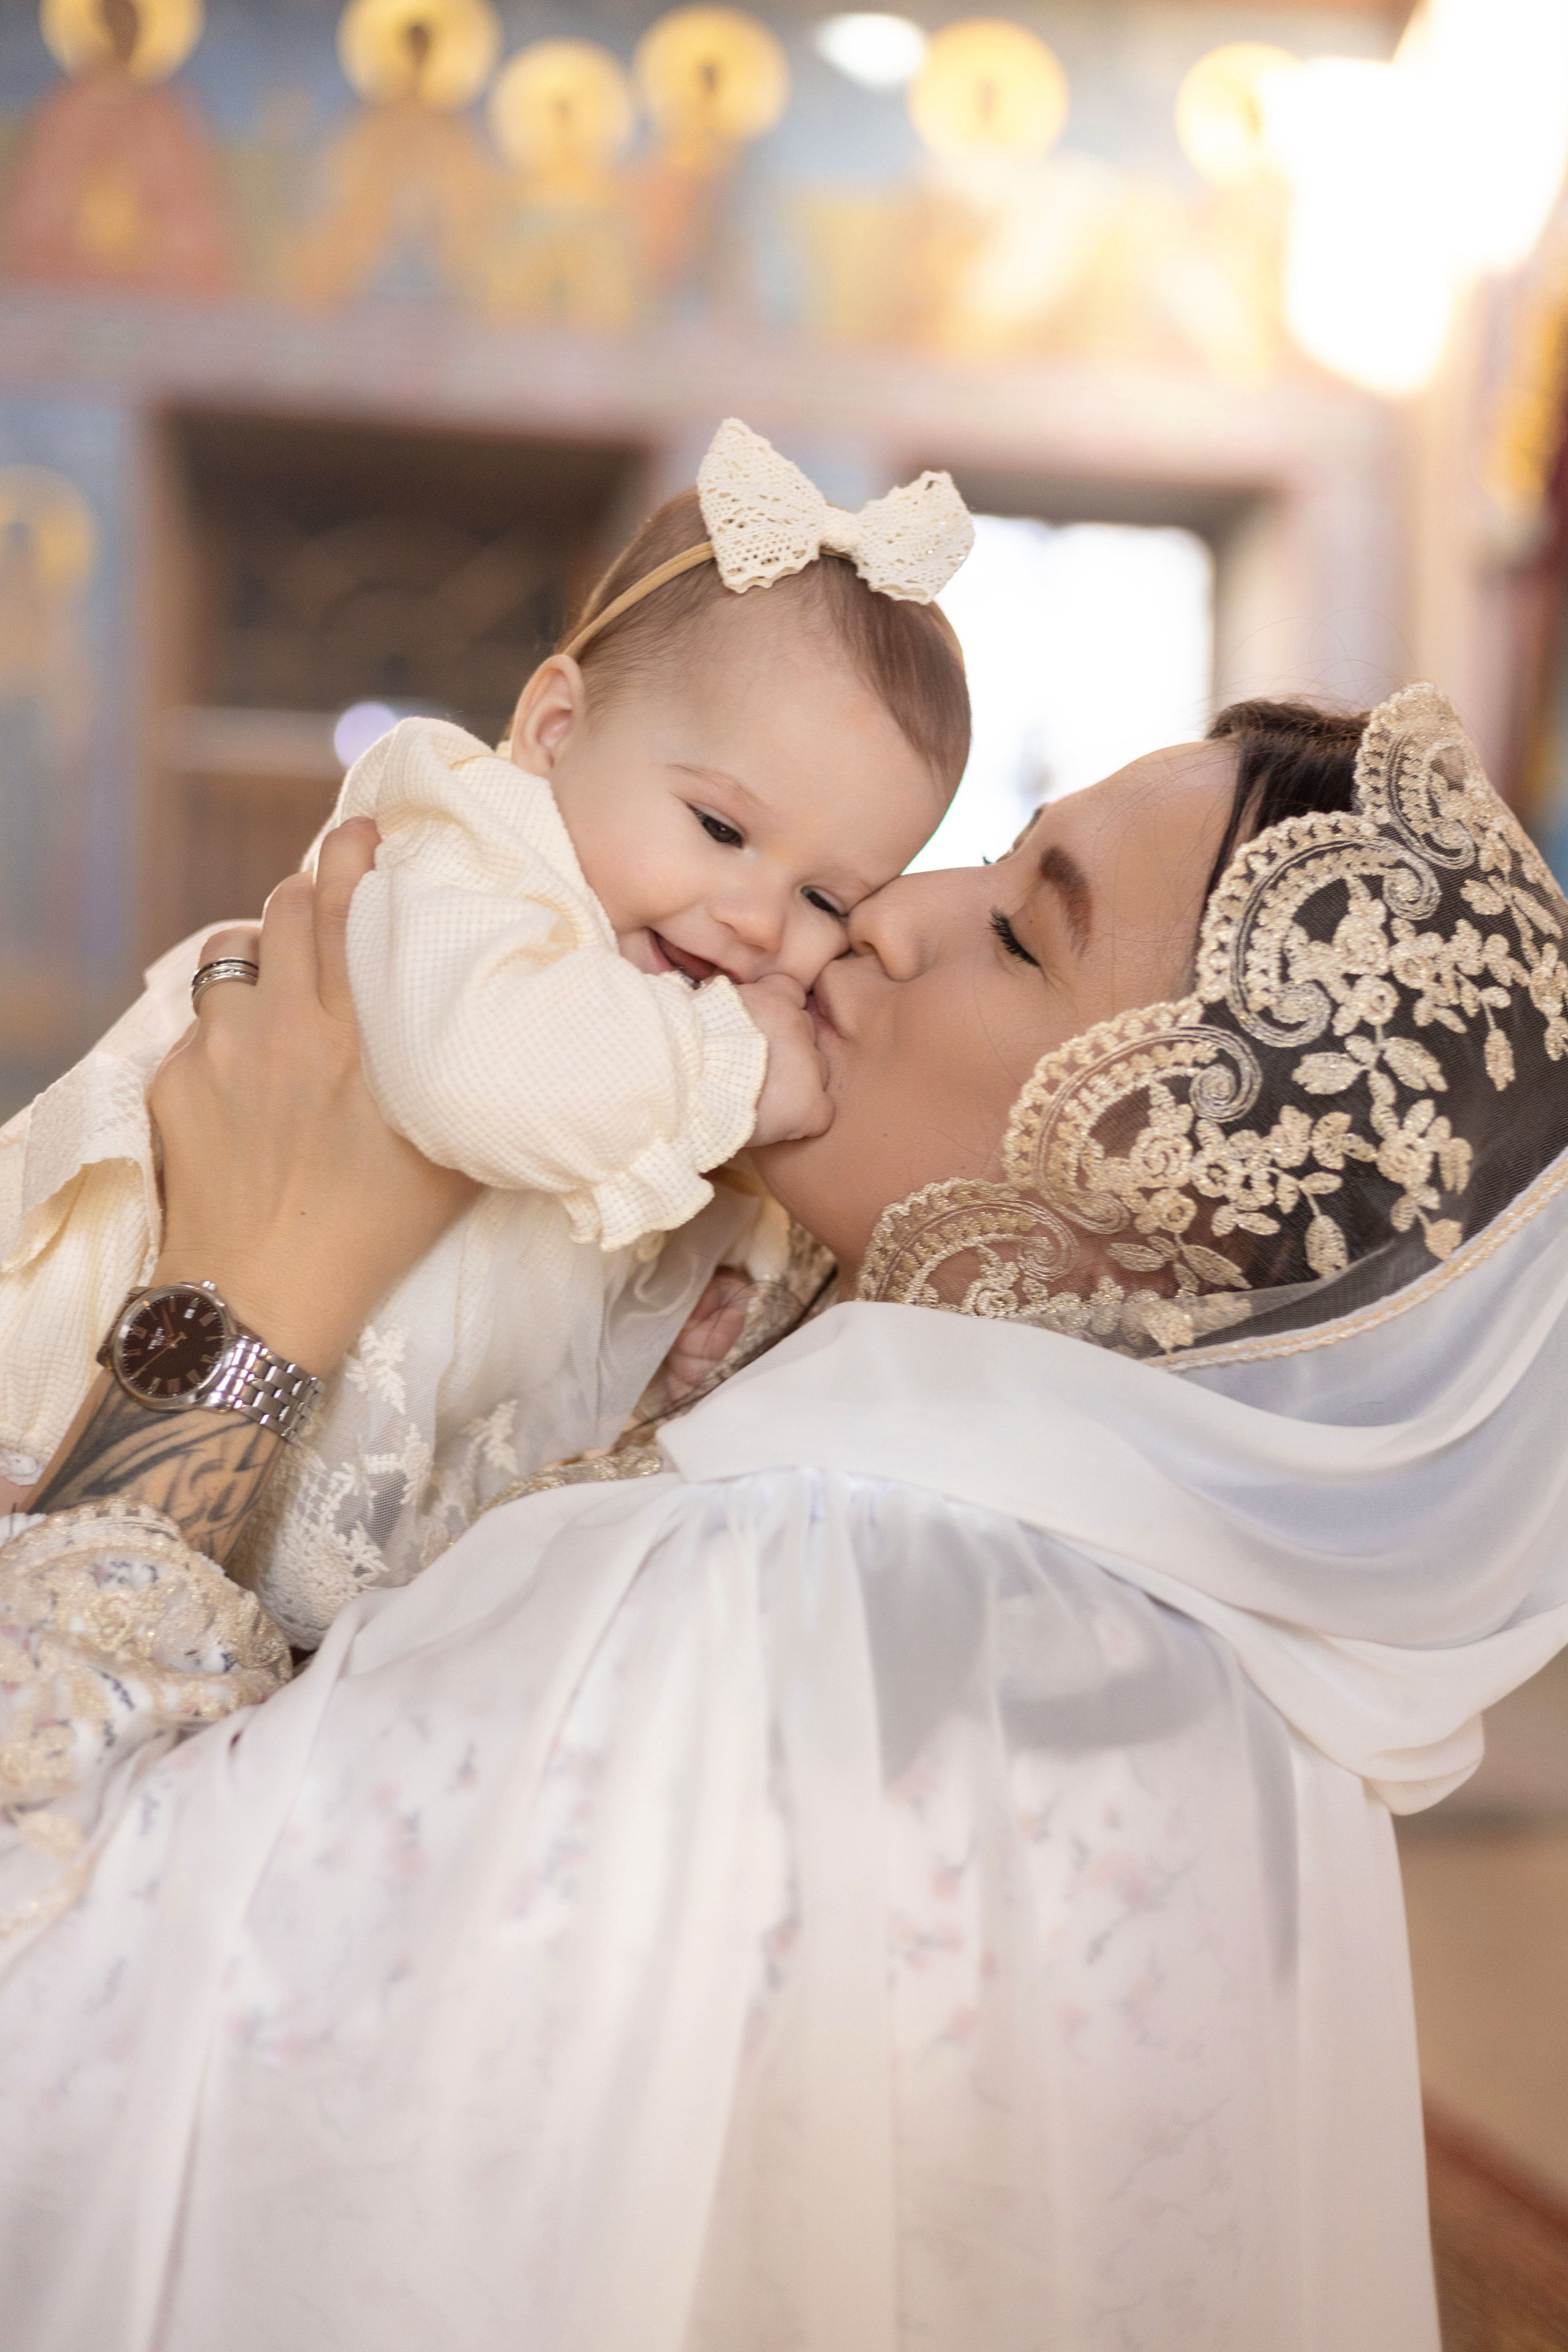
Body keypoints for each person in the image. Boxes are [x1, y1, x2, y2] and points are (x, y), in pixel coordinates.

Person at [4, 682, 1568, 2350]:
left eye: (1020, 937)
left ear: (1174, 1216)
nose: (886, 914)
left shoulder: (768, 1595)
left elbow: (56, 2037)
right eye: (992, 857)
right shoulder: (1195, 1672)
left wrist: (252, 1288)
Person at [0, 418, 970, 1645]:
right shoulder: (476, 856)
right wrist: (731, 1065)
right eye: (722, 830)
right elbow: (476, 1081)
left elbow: (522, 1293)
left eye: (827, 898)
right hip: (67, 1406)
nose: (758, 918)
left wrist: (655, 1340)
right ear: (555, 731)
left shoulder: (639, 1014)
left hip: (248, 1535)